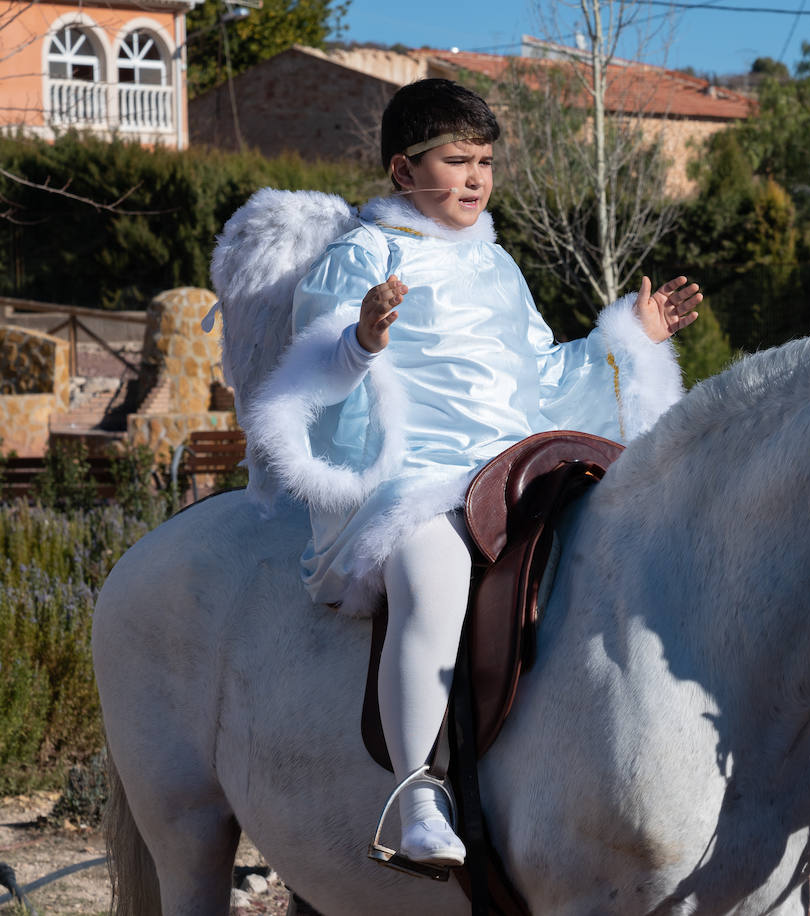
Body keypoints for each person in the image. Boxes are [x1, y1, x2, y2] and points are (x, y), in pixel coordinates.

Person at [244, 79, 700, 868]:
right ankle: (415, 794)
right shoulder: (362, 255)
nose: (475, 178)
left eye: (485, 162)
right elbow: (308, 381)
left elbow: (540, 373)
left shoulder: (496, 263)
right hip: (412, 479)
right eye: (456, 161)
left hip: (513, 468)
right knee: (433, 574)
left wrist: (627, 338)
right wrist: (359, 343)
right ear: (402, 169)